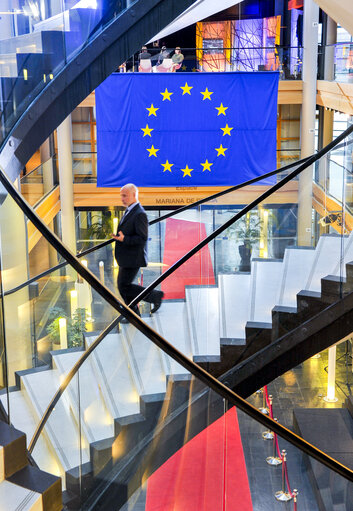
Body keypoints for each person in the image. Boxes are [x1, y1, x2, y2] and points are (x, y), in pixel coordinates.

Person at [112, 184, 164, 318]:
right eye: (121, 196)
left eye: (125, 195)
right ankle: (134, 314)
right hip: (127, 257)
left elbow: (142, 238)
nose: (122, 199)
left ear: (134, 195)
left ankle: (154, 296)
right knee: (123, 287)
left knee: (124, 286)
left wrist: (125, 239)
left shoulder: (139, 213)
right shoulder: (130, 210)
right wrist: (120, 238)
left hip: (133, 257)